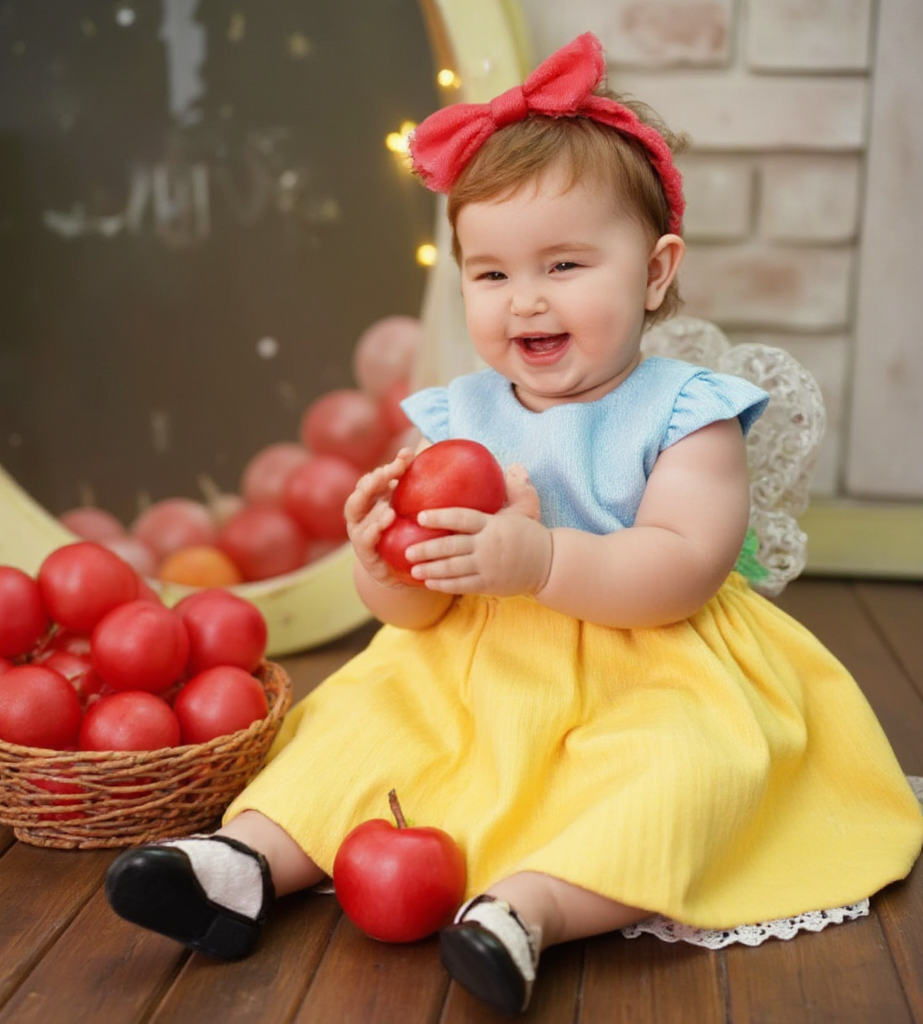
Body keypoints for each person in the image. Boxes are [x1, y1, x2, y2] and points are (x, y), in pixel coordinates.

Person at [104, 33, 923, 1016]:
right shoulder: (463, 415)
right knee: (360, 722)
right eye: (488, 274)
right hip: (475, 668)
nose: (524, 298)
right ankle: (242, 865)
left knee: (677, 775)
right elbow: (413, 613)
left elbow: (684, 566)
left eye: (565, 263)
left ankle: (529, 907)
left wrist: (539, 556)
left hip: (651, 668)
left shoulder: (687, 415)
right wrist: (385, 566)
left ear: (655, 271)